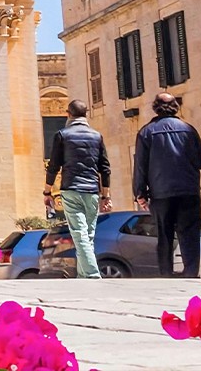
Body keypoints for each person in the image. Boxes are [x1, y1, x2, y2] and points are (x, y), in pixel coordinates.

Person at [133, 92, 201, 277]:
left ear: (155, 108)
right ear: (176, 107)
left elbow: (140, 166)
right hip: (188, 191)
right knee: (189, 233)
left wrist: (140, 192)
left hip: (161, 193)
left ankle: (166, 273)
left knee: (164, 234)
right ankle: (190, 271)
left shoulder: (146, 132)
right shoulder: (188, 129)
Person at [44, 99, 112, 279]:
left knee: (80, 233)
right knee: (88, 235)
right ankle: (83, 277)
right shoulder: (97, 136)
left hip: (71, 188)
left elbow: (53, 166)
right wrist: (106, 195)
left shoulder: (62, 135)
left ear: (68, 114)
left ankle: (91, 274)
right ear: (86, 114)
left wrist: (47, 190)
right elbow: (104, 168)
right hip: (91, 190)